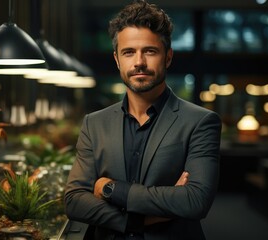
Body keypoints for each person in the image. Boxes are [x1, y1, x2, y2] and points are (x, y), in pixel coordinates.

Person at [64, 1, 222, 239]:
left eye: (150, 51)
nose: (139, 62)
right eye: (129, 52)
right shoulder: (94, 123)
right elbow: (74, 201)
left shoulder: (201, 122)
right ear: (117, 60)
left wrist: (110, 189)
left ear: (168, 57)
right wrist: (138, 221)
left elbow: (195, 200)